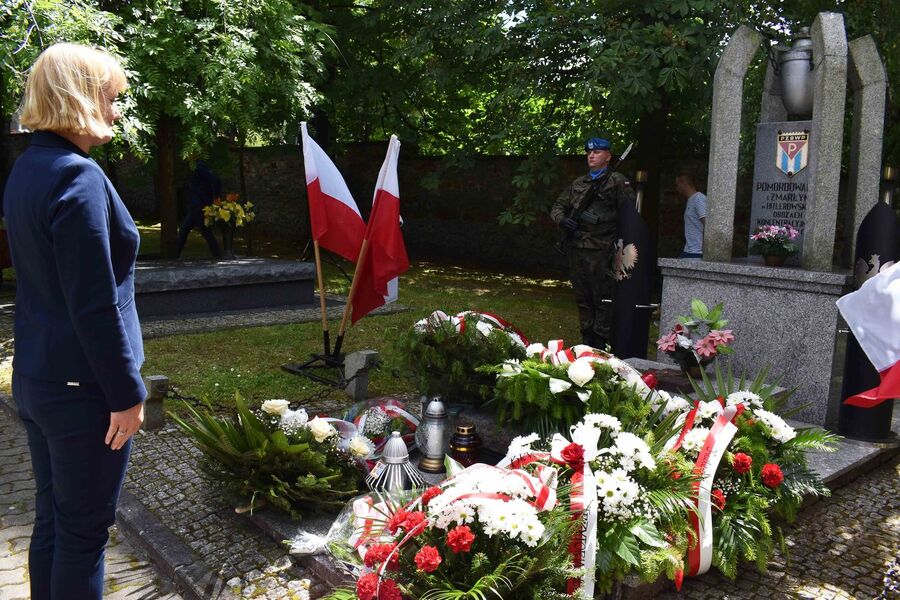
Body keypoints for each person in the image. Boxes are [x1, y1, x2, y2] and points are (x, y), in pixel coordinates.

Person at [2, 43, 145, 599]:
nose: (116, 110)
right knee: (83, 536)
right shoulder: (76, 176)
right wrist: (127, 394)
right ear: (79, 97)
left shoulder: (28, 167)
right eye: (110, 98)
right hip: (84, 391)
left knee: (54, 524)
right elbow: (93, 302)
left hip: (38, 377)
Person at [551, 137, 635, 349]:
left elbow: (629, 213)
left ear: (608, 156)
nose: (591, 155)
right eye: (589, 152)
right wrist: (563, 220)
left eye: (597, 152)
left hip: (602, 250)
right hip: (577, 249)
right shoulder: (579, 183)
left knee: (602, 298)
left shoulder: (616, 181)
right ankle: (586, 340)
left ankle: (601, 343)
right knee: (582, 297)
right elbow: (557, 206)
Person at [175, 158, 222, 258]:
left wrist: (216, 198)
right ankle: (175, 255)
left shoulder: (200, 167)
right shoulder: (199, 167)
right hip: (196, 205)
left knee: (203, 231)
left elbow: (216, 180)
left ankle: (217, 254)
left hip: (200, 205)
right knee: (185, 230)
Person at [675, 171, 707, 259]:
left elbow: (707, 224)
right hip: (689, 250)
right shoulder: (691, 200)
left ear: (683, 183)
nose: (676, 188)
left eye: (677, 185)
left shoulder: (698, 199)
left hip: (697, 252)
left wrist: (705, 251)